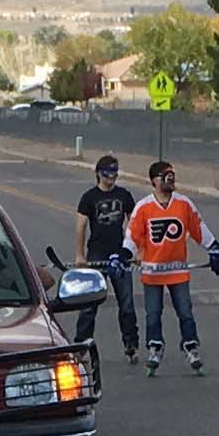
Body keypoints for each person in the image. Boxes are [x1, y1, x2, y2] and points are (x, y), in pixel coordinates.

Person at [127, 160, 208, 375]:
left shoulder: (183, 204)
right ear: (154, 180)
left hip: (178, 272)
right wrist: (124, 254)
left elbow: (199, 228)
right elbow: (132, 236)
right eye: (165, 174)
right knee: (153, 314)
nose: (171, 178)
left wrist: (216, 249)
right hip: (152, 273)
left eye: (172, 173)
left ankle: (191, 347)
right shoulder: (144, 207)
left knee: (185, 312)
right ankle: (155, 348)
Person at [73, 153, 143, 366]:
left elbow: (134, 225)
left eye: (114, 173)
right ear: (98, 174)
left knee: (127, 303)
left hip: (120, 254)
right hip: (96, 254)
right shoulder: (89, 197)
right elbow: (81, 226)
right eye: (107, 173)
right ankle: (81, 346)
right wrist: (80, 254)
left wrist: (137, 251)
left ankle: (131, 344)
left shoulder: (124, 195)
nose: (111, 177)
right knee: (89, 304)